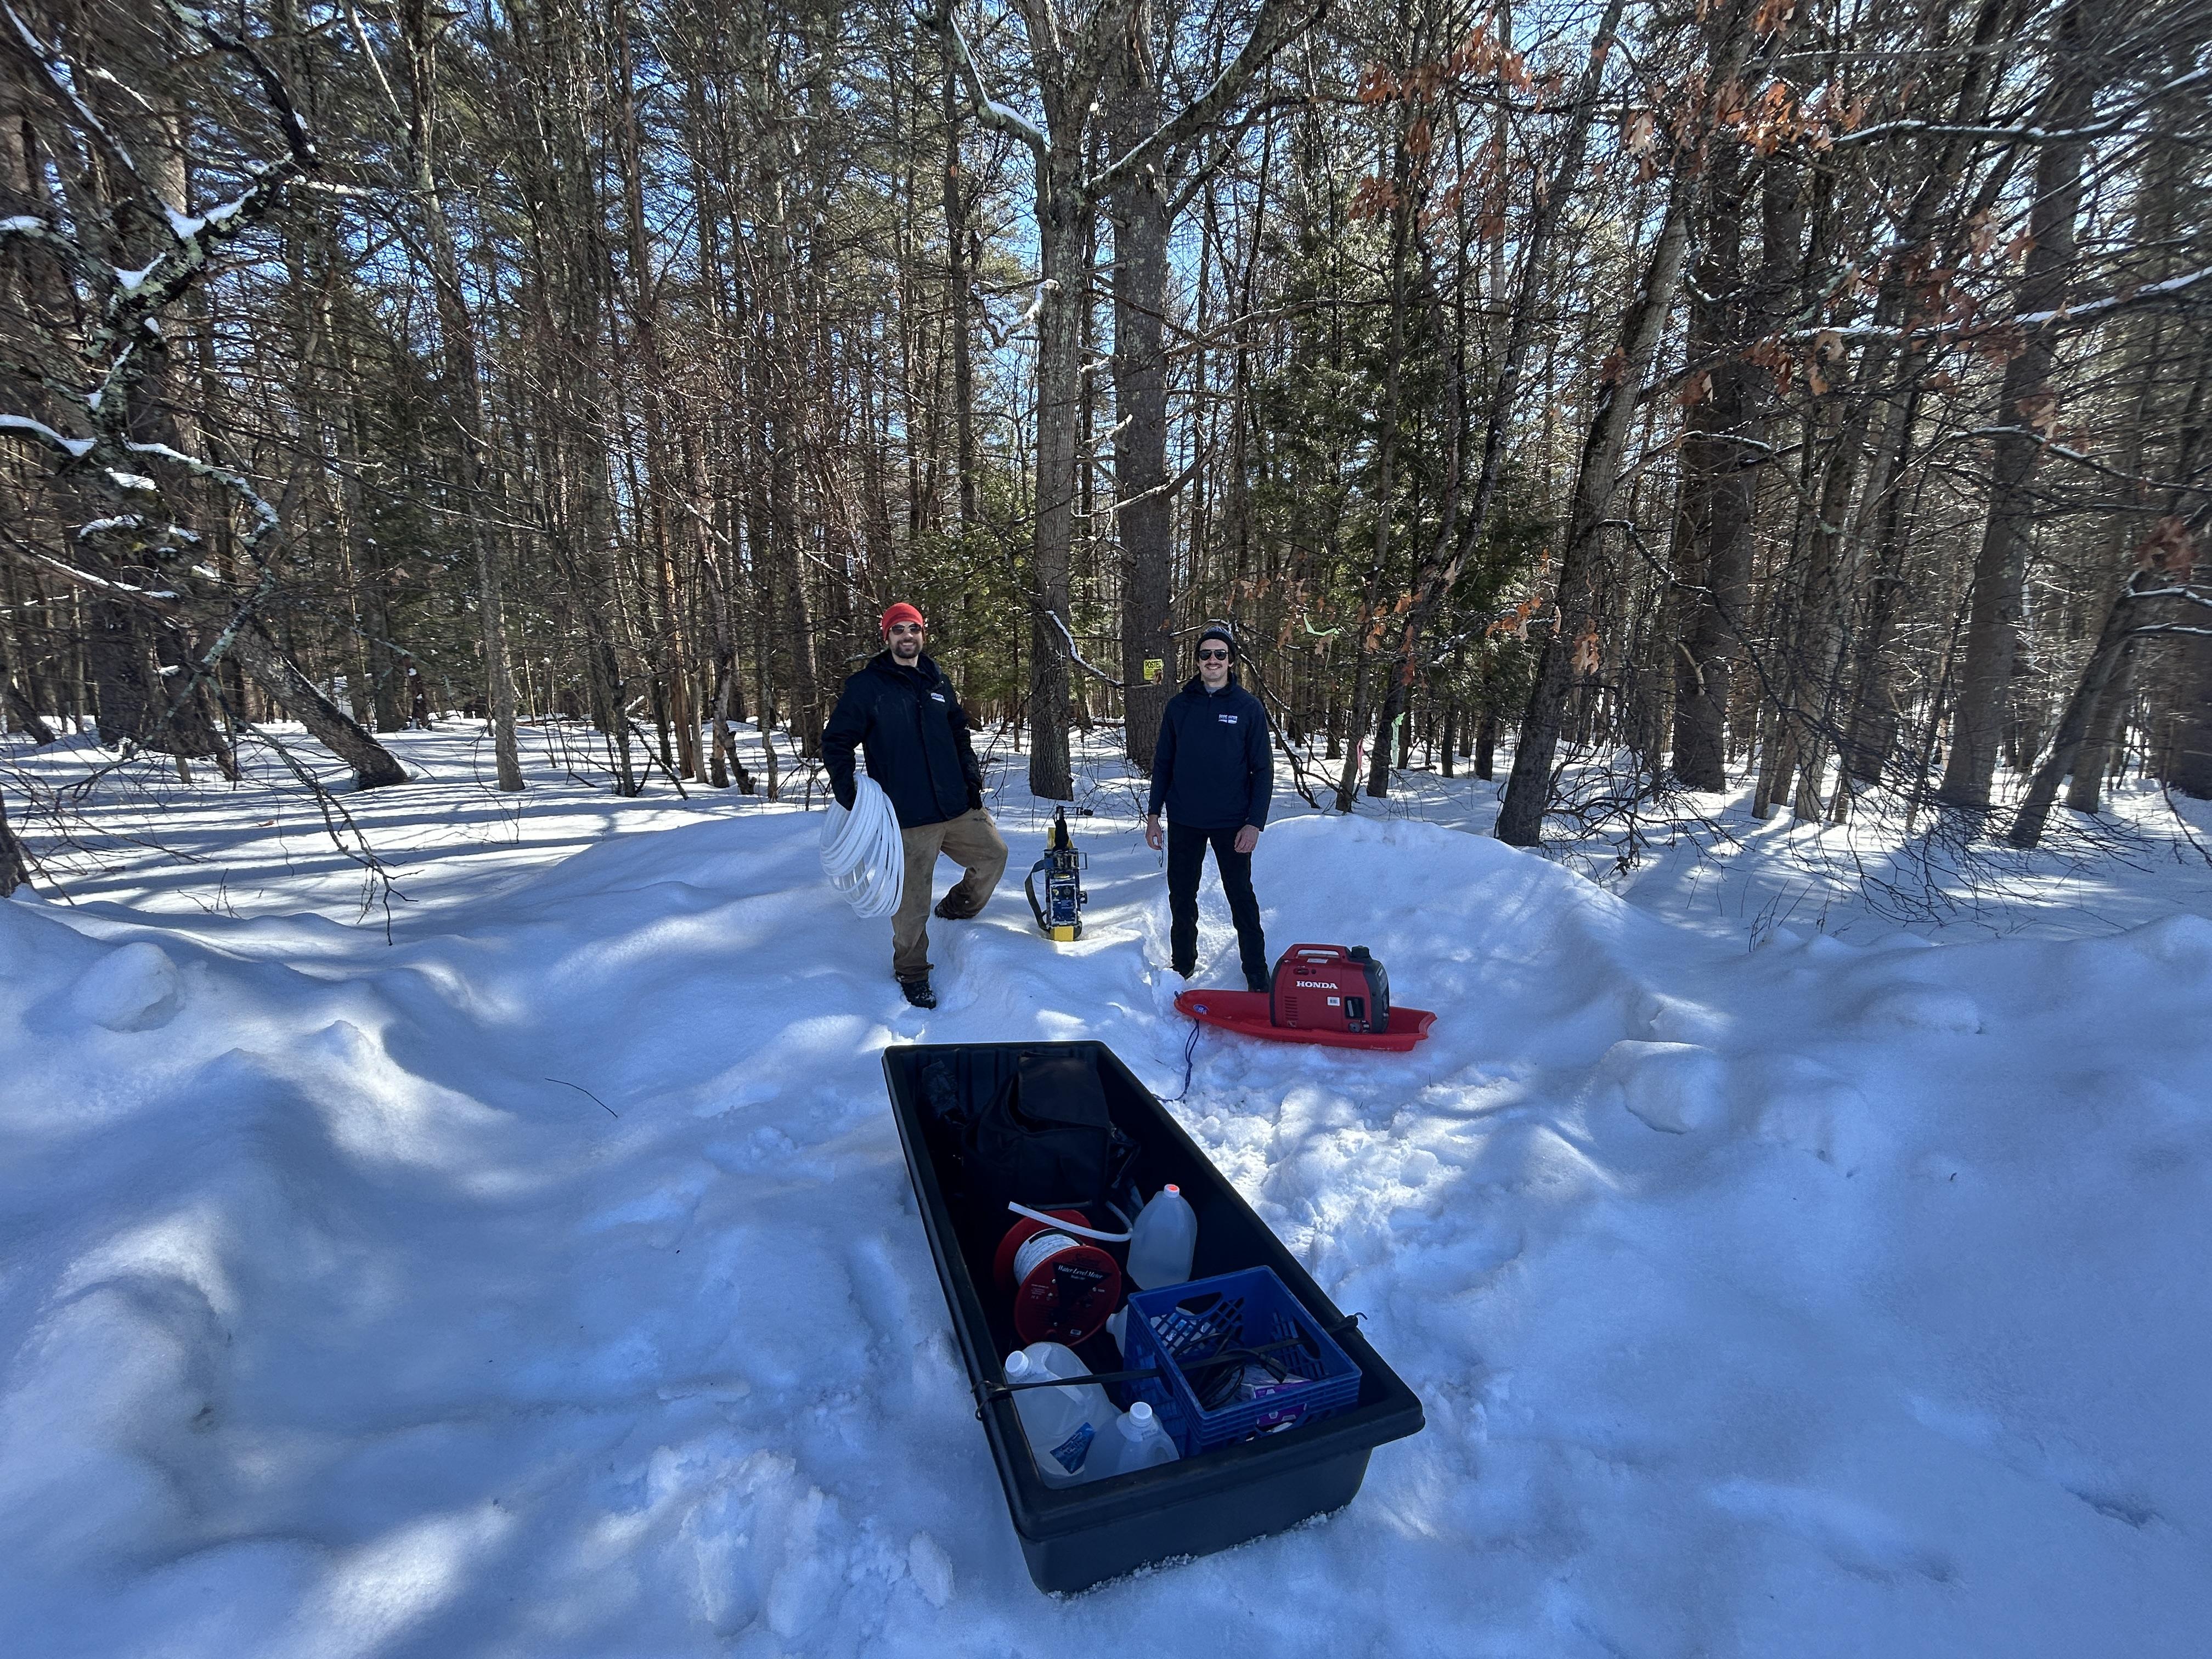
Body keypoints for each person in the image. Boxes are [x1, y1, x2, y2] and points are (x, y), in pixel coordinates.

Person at [822, 603, 1007, 1008]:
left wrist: (971, 777)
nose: (907, 636)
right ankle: (911, 971)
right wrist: (848, 793)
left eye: (914, 629)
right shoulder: (868, 687)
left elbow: (959, 732)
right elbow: (836, 741)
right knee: (911, 904)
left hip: (956, 805)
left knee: (994, 856)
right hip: (906, 816)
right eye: (898, 630)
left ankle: (957, 908)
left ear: (923, 634)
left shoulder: (938, 681)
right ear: (887, 637)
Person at [1144, 622, 1272, 991]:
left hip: (1232, 822)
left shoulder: (1248, 708)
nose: (1212, 660)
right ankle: (1182, 967)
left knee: (1241, 898)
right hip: (1185, 819)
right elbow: (1163, 763)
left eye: (1220, 654)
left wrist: (1254, 823)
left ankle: (1257, 974)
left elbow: (1263, 769)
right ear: (1197, 661)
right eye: (1206, 654)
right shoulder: (1179, 706)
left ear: (1231, 661)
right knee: (1182, 898)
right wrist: (1154, 815)